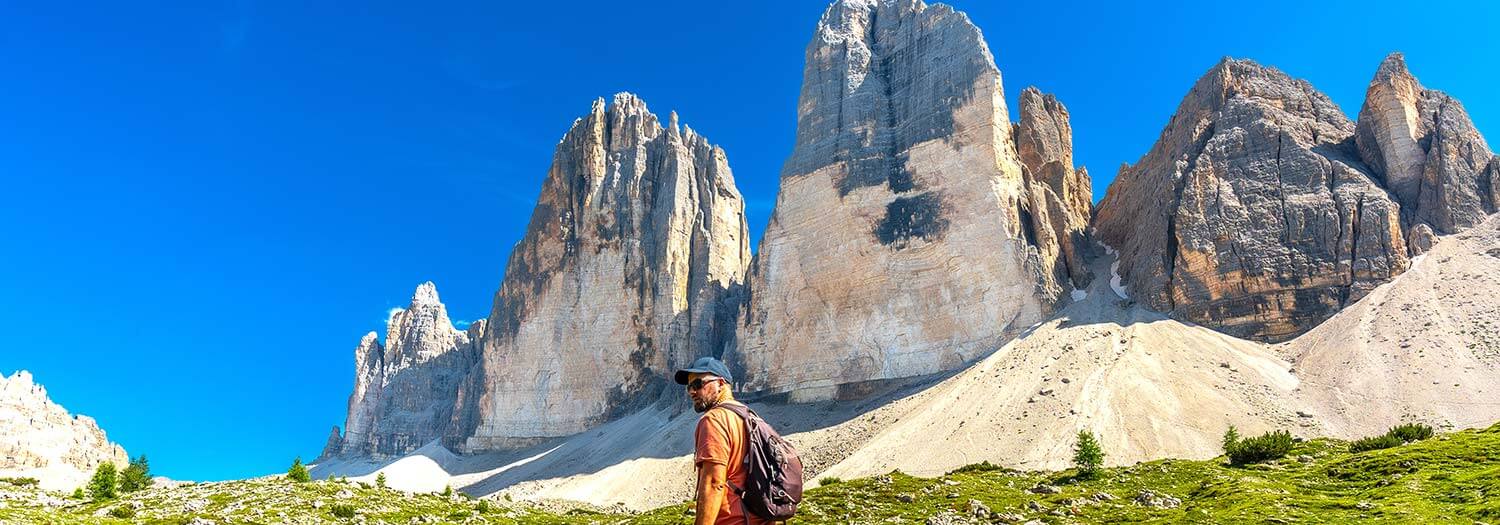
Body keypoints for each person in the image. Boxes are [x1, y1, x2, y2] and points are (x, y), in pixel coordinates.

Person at [675, 357, 771, 525]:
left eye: (697, 384)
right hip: (759, 518)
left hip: (733, 520)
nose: (691, 392)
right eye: (689, 387)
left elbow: (714, 483)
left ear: (720, 383)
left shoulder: (714, 420)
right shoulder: (748, 416)